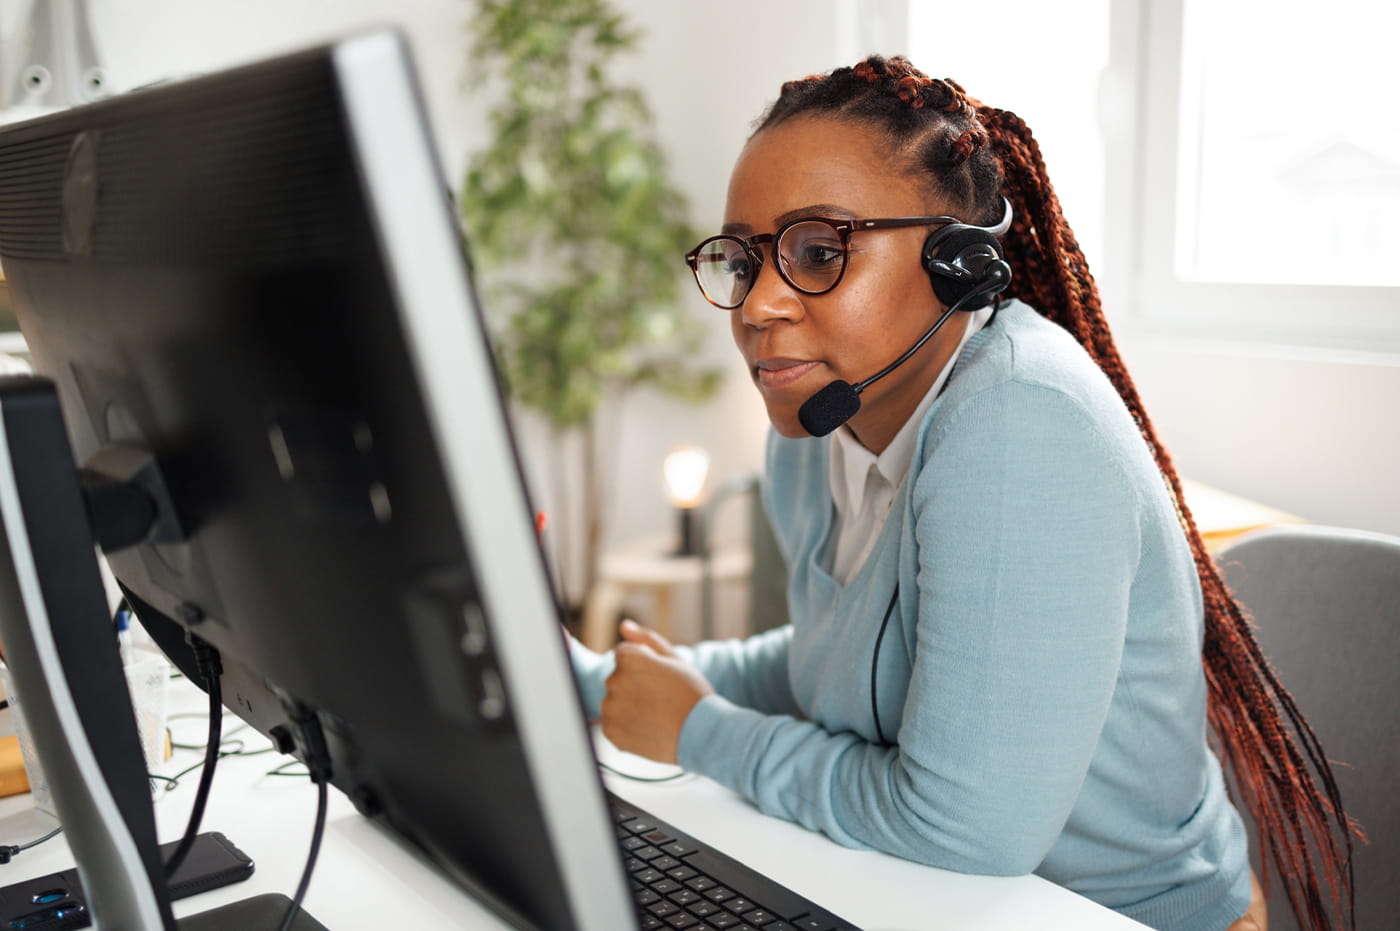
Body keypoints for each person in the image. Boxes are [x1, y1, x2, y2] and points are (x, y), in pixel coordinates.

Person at [569, 55, 1355, 931]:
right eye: (742, 261)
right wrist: (598, 682)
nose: (757, 306)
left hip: (1106, 916)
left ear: (959, 265)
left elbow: (963, 828)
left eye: (818, 252)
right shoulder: (817, 424)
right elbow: (833, 660)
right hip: (932, 901)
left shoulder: (1024, 423)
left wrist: (699, 731)